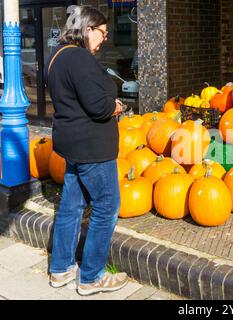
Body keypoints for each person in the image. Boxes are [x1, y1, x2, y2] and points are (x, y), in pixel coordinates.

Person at [44, 5, 128, 296]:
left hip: (71, 146)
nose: (104, 38)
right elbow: (98, 106)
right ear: (88, 29)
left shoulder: (57, 56)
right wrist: (116, 106)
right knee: (107, 208)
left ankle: (60, 269)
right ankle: (91, 277)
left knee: (70, 207)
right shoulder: (80, 58)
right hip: (93, 149)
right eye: (102, 32)